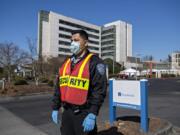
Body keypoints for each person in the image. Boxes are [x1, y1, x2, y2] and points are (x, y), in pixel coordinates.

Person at [51, 29, 107, 135]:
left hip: (84, 113)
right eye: (71, 41)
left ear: (86, 43)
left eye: (76, 40)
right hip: (67, 112)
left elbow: (99, 90)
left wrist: (92, 113)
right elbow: (59, 87)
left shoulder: (95, 62)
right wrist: (55, 107)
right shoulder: (66, 62)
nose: (73, 43)